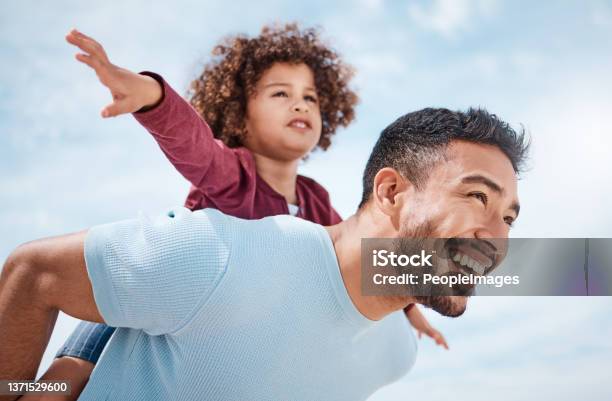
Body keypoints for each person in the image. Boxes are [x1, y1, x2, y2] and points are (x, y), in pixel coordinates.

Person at [0, 106, 528, 401]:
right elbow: (34, 271)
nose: (496, 236)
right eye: (476, 196)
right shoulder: (223, 255)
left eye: (508, 217)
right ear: (391, 191)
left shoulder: (396, 354)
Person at [41, 25, 447, 399]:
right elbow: (194, 146)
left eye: (310, 97)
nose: (300, 105)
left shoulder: (316, 202)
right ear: (240, 113)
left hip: (220, 329)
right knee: (64, 380)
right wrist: (152, 98)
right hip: (159, 292)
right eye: (280, 94)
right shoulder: (233, 175)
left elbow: (361, 254)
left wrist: (412, 310)